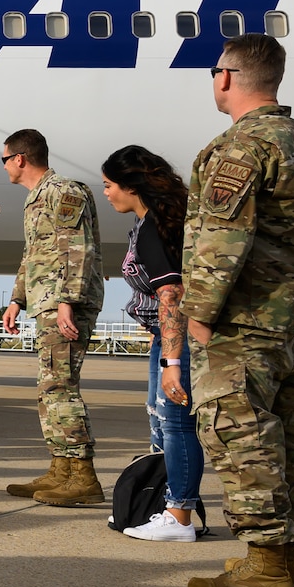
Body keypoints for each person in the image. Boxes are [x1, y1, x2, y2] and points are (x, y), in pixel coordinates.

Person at [183, 35, 294, 587]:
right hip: (289, 322)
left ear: (226, 77)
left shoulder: (240, 148)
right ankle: (285, 557)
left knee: (238, 438)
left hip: (242, 322)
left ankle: (265, 567)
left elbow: (221, 242)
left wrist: (198, 315)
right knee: (284, 442)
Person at [101, 146, 202, 542]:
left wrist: (171, 360)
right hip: (165, 337)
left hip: (178, 341)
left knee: (177, 424)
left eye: (110, 185)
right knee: (162, 424)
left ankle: (180, 516)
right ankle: (164, 506)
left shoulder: (155, 227)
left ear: (131, 186)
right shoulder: (152, 222)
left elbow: (172, 294)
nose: (106, 193)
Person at [0, 128, 106, 506]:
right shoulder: (36, 199)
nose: (5, 168)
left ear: (20, 159)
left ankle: (83, 475)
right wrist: (16, 299)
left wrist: (68, 301)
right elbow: (34, 254)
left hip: (64, 303)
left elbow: (78, 248)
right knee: (50, 388)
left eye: (4, 160)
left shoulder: (64, 192)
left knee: (60, 387)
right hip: (45, 300)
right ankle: (61, 469)